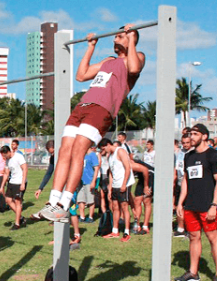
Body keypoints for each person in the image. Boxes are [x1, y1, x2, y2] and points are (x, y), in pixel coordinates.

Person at [35, 24, 145, 222]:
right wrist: (91, 47)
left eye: (120, 36)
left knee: (78, 150)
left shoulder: (135, 58)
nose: (114, 39)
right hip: (83, 106)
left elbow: (135, 68)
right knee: (64, 150)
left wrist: (130, 39)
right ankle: (52, 202)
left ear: (131, 39)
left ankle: (64, 204)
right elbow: (81, 75)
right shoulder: (108, 61)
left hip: (101, 110)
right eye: (115, 36)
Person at [174, 124, 217, 281]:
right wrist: (180, 203)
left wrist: (214, 205)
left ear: (204, 136)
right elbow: (185, 181)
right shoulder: (188, 156)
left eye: (195, 134)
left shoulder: (214, 155)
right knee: (193, 237)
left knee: (213, 238)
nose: (191, 137)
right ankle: (193, 272)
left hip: (207, 205)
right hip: (191, 205)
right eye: (190, 134)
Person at [98, 138, 134, 242]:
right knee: (115, 207)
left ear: (108, 144)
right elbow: (111, 173)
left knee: (124, 207)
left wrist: (124, 184)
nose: (103, 151)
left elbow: (128, 167)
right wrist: (110, 188)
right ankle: (115, 230)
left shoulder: (120, 151)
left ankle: (127, 232)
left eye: (104, 148)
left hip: (124, 184)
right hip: (115, 185)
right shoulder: (109, 156)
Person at [0, 145, 28, 230]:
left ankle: (17, 224)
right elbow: (6, 174)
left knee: (17, 202)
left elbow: (25, 169)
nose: (4, 158)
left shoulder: (18, 156)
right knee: (8, 200)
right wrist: (2, 187)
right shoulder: (7, 161)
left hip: (19, 183)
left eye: (4, 156)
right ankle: (21, 218)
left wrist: (23, 183)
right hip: (12, 182)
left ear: (8, 152)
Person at [174, 135, 192, 238]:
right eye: (183, 143)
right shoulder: (180, 154)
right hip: (180, 184)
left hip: (190, 185)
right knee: (179, 206)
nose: (185, 145)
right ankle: (180, 229)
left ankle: (190, 229)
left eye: (187, 143)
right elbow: (176, 168)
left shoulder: (193, 154)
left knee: (189, 208)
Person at [76, 147, 99, 223]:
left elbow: (96, 168)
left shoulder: (92, 155)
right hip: (81, 181)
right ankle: (82, 217)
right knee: (80, 199)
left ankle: (90, 217)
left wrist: (93, 181)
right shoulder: (82, 155)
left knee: (90, 200)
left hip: (89, 180)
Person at [131, 159, 153, 235]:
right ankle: (137, 225)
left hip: (150, 175)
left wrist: (146, 186)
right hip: (141, 178)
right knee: (137, 201)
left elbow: (145, 170)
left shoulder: (130, 163)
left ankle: (145, 226)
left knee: (146, 201)